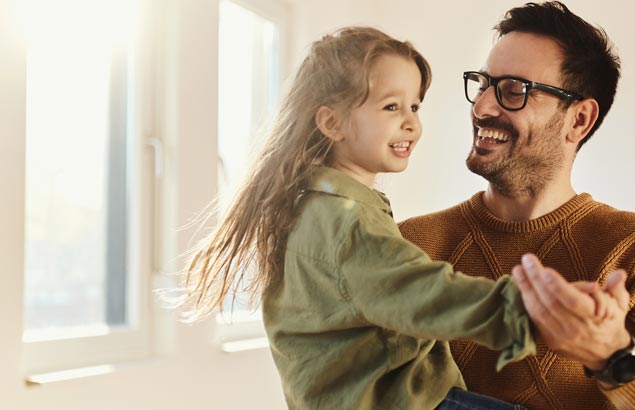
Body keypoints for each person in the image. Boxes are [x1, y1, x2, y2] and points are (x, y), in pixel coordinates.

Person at [177, 26, 612, 410]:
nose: (411, 124)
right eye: (391, 108)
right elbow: (421, 291)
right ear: (333, 123)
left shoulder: (314, 206)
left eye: (415, 107)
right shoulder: (346, 221)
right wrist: (530, 311)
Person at [398, 2, 635, 409]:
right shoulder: (407, 246)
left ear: (579, 120)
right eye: (483, 83)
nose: (482, 107)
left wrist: (613, 354)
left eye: (514, 91)